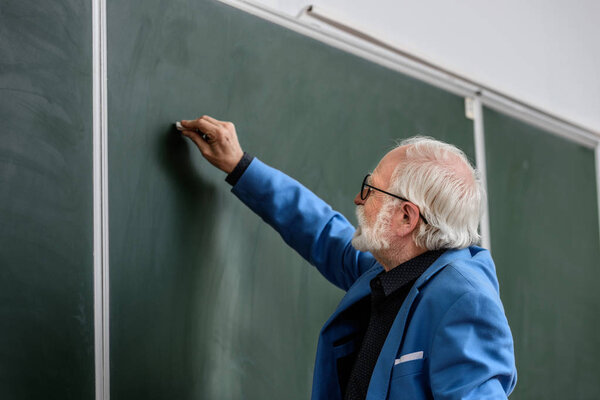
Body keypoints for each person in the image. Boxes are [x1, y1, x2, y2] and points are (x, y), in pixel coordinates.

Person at [177, 115, 517, 399]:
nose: (358, 198)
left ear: (406, 218)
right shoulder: (387, 270)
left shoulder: (464, 299)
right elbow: (320, 230)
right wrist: (239, 166)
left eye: (371, 189)